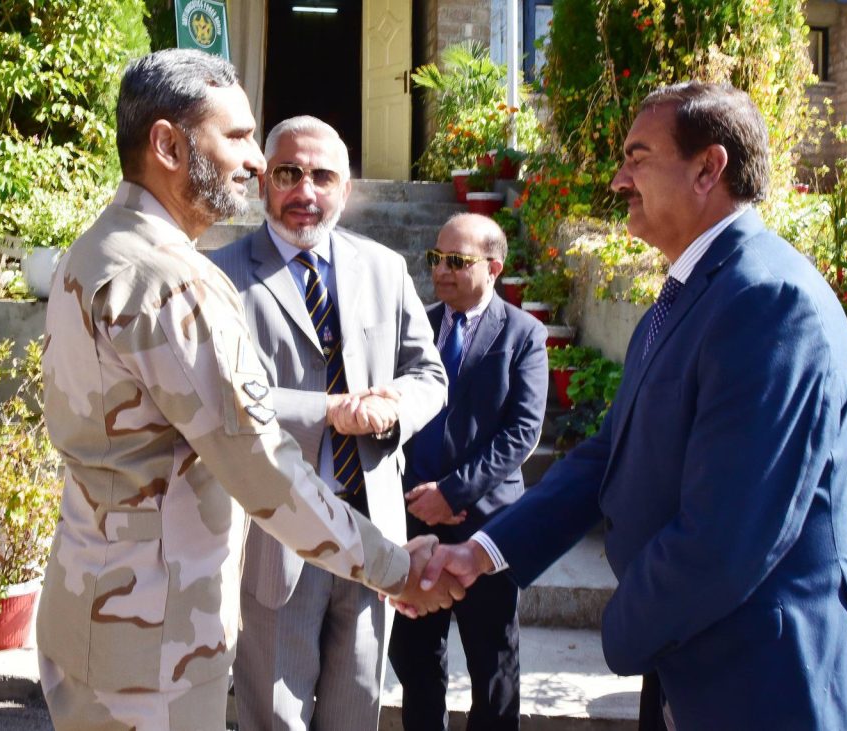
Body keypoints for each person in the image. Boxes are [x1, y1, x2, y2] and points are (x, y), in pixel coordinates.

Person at [417, 82, 847, 730]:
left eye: (637, 158)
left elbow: (726, 536)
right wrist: (482, 552)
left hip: (764, 680)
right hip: (690, 660)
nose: (618, 180)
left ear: (708, 168)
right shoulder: (686, 298)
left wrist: (619, 627)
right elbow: (607, 456)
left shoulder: (770, 300)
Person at [36, 50, 460, 731]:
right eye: (236, 136)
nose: (257, 161)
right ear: (168, 146)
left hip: (106, 609)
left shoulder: (100, 248)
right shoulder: (173, 280)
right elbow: (259, 461)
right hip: (152, 642)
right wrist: (394, 565)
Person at [208, 115, 447, 731]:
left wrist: (394, 409)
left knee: (355, 712)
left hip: (372, 527)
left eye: (322, 176)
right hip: (275, 535)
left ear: (347, 187)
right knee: (274, 718)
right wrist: (328, 411)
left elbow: (428, 374)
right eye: (288, 173)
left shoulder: (384, 268)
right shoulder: (219, 275)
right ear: (264, 181)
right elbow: (219, 397)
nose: (305, 191)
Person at [387, 213, 547, 731]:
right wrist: (415, 497)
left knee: (493, 665)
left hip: (487, 529)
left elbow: (522, 433)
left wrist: (453, 493)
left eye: (456, 261)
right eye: (437, 258)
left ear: (493, 267)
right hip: (414, 521)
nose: (441, 270)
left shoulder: (524, 334)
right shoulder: (417, 325)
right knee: (414, 660)